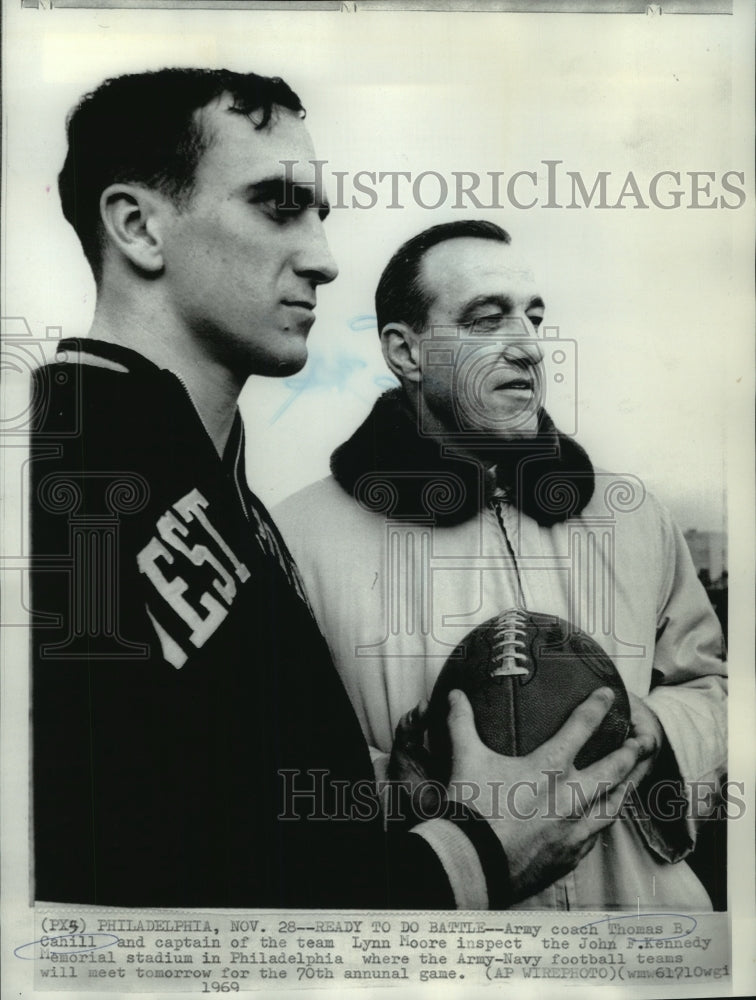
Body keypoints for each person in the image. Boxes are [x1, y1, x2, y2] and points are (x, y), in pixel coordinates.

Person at [30, 71, 652, 910]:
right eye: (277, 206)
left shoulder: (203, 482)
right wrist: (476, 852)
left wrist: (404, 796)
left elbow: (230, 815)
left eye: (322, 215)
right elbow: (120, 900)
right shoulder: (70, 493)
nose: (323, 259)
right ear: (138, 226)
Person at [273, 220, 728, 910]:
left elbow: (714, 690)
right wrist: (407, 783)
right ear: (407, 350)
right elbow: (263, 759)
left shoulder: (633, 514)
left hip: (646, 941)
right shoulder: (296, 536)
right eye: (488, 320)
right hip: (446, 957)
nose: (527, 346)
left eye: (534, 317)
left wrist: (653, 733)